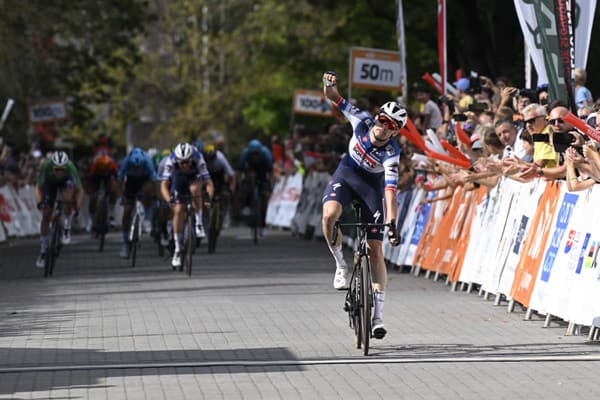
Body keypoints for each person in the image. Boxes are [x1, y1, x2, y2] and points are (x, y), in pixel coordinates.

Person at [320, 71, 402, 340]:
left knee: (375, 250)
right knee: (329, 216)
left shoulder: (391, 154)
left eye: (390, 125)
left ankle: (377, 316)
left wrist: (392, 223)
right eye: (382, 119)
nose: (383, 126)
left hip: (371, 187)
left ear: (395, 131)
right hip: (346, 174)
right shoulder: (362, 120)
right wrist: (329, 84)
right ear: (377, 117)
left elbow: (390, 191)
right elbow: (334, 98)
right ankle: (341, 265)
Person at [160, 142, 214, 269]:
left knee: (196, 191)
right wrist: (169, 200)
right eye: (181, 162)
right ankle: (177, 250)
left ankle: (199, 223)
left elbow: (208, 182)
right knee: (178, 211)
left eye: (187, 162)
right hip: (178, 179)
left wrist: (208, 198)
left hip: (194, 178)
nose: (184, 165)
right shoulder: (171, 160)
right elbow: (164, 185)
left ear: (192, 159)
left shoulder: (198, 158)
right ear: (177, 160)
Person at [34, 151, 84, 268]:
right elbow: (38, 187)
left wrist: (76, 207)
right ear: (53, 166)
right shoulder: (46, 166)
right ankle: (42, 251)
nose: (59, 172)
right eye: (57, 169)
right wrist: (40, 203)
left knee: (68, 197)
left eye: (62, 169)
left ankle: (67, 227)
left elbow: (80, 190)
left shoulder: (71, 167)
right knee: (46, 214)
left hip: (66, 182)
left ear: (66, 166)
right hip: (49, 184)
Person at [117, 147, 158, 258]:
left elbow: (154, 181)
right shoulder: (126, 162)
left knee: (148, 192)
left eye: (138, 167)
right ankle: (125, 243)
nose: (136, 169)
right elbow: (120, 180)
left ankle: (147, 218)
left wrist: (154, 197)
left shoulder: (147, 161)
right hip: (131, 181)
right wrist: (121, 197)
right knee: (127, 212)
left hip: (145, 180)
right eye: (134, 167)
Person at [238, 138, 273, 233]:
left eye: (256, 153)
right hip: (251, 169)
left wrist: (269, 183)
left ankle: (263, 220)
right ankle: (247, 203)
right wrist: (241, 182)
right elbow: (240, 169)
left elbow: (270, 170)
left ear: (260, 151)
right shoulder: (245, 153)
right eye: (252, 154)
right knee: (248, 181)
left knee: (265, 192)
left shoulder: (266, 153)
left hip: (263, 170)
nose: (254, 156)